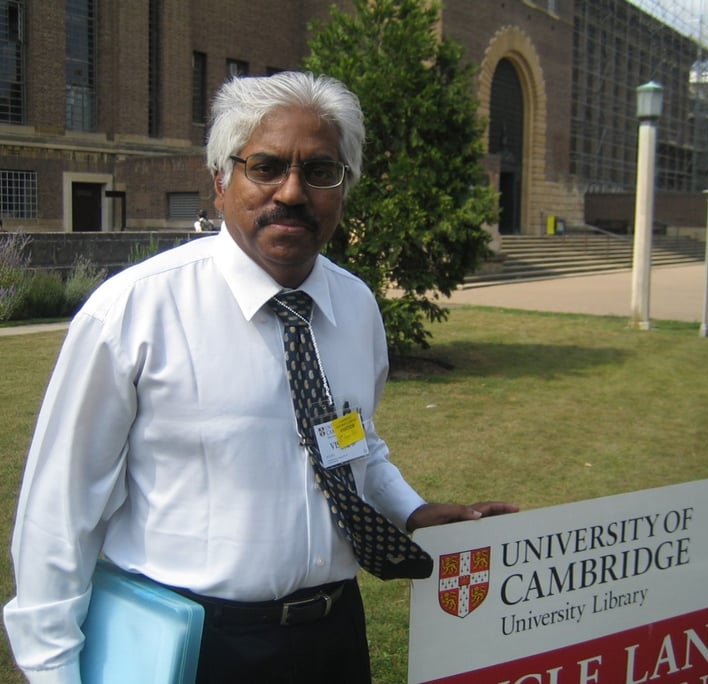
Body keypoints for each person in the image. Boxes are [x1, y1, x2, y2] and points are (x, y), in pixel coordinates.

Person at [3, 71, 517, 683]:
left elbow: (352, 441)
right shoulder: (134, 313)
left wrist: (411, 511)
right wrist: (53, 671)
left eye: (321, 171)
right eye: (266, 167)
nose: (293, 192)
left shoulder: (354, 308)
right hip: (195, 649)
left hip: (334, 639)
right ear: (221, 181)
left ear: (344, 188)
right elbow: (59, 512)